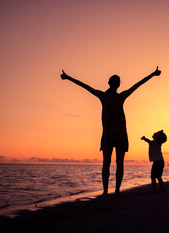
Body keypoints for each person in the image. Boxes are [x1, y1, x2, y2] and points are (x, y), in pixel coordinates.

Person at [60, 67, 161, 196]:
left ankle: (112, 190)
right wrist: (68, 78)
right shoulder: (106, 96)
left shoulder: (114, 96)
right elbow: (85, 86)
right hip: (111, 135)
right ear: (111, 83)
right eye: (116, 82)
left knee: (114, 163)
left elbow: (137, 85)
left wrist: (152, 74)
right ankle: (109, 190)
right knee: (110, 164)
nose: (117, 84)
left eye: (118, 82)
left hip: (117, 135)